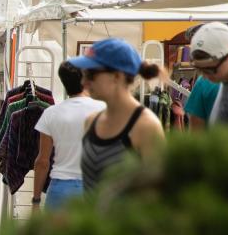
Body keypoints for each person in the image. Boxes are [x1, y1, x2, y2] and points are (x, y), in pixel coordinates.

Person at [70, 37, 166, 192]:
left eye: (90, 74)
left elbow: (158, 195)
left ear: (117, 76)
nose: (84, 82)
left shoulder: (146, 126)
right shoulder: (91, 122)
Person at [31, 62, 106, 211]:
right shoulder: (103, 110)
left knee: (57, 234)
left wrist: (36, 200)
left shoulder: (51, 113)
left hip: (61, 187)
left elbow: (42, 162)